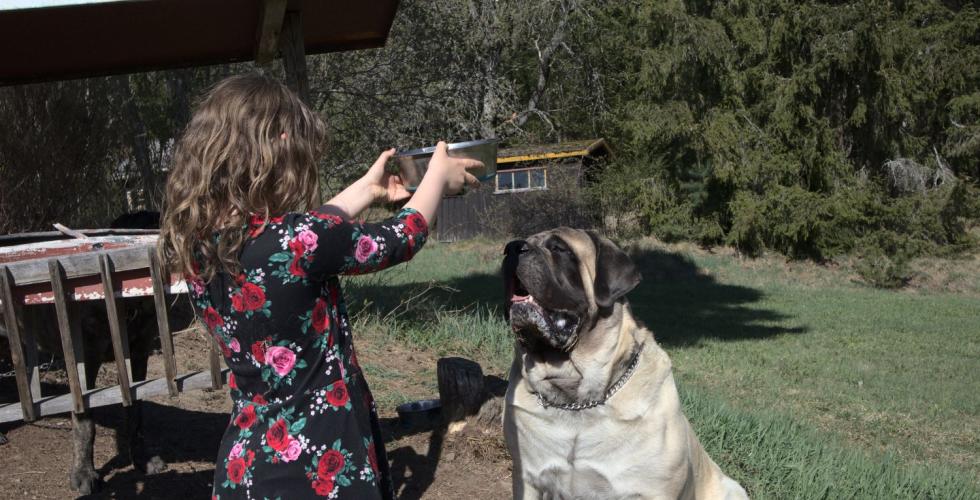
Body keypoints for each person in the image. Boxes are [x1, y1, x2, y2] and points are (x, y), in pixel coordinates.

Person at [159, 73, 480, 499]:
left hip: (245, 468)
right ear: (280, 143)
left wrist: (367, 189)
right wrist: (437, 175)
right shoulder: (297, 241)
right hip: (318, 468)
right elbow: (404, 236)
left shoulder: (201, 247)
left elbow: (301, 238)